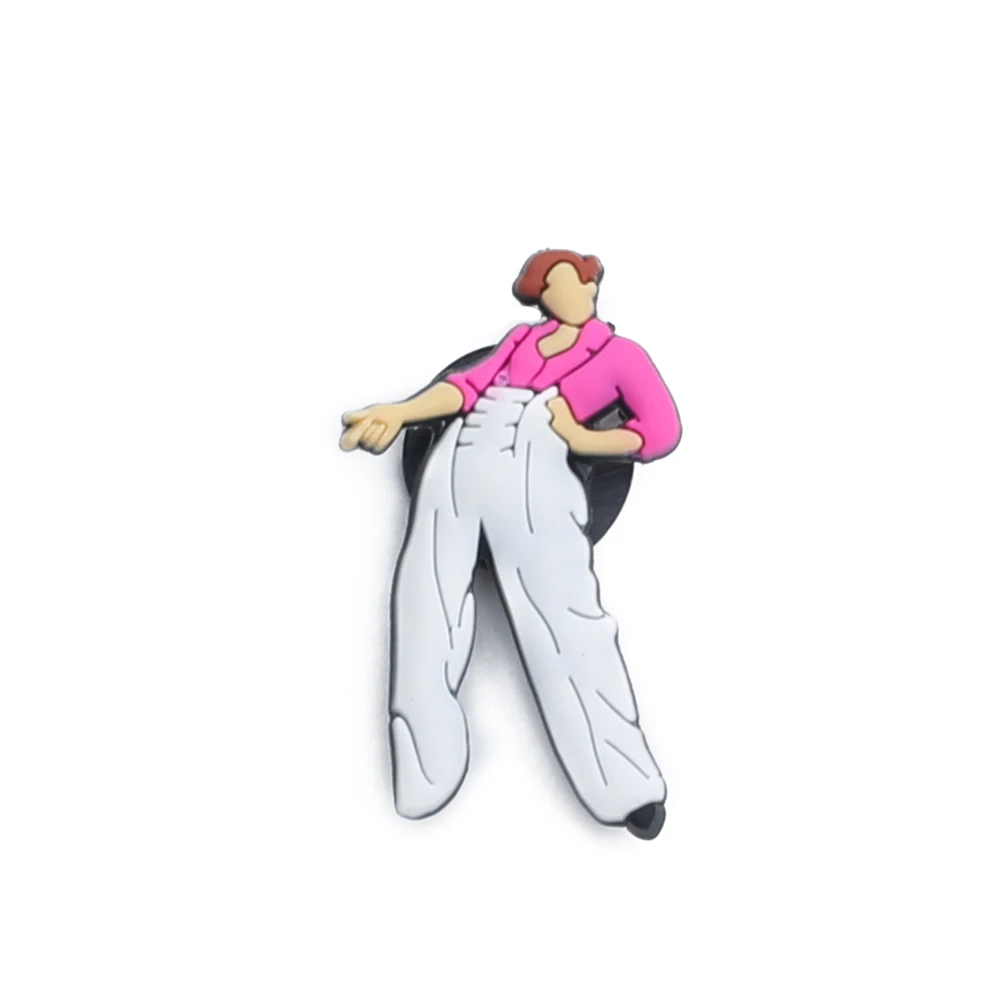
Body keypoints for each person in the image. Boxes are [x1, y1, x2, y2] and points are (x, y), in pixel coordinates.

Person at [341, 249, 682, 839]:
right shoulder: (521, 340)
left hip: (536, 466)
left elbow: (660, 431)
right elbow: (464, 390)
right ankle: (425, 769)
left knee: (567, 620)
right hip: (459, 456)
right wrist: (399, 412)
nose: (579, 293)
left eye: (583, 282)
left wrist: (582, 439)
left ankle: (627, 787)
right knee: (426, 604)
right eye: (561, 284)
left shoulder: (620, 354)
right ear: (540, 294)